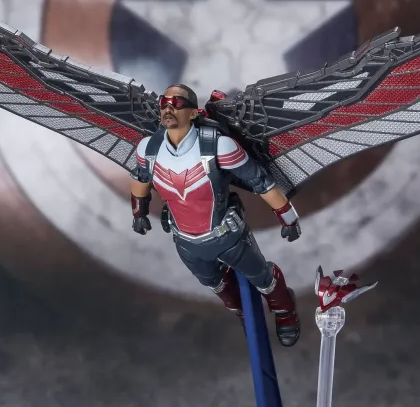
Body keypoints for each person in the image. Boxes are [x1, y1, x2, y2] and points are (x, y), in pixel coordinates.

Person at [129, 84, 302, 346]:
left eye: (177, 103)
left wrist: (287, 216)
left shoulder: (218, 147)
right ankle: (245, 313)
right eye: (164, 102)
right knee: (217, 285)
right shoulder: (148, 148)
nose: (168, 108)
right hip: (186, 242)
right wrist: (139, 211)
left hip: (227, 236)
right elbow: (140, 178)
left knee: (262, 278)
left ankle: (285, 310)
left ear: (193, 112)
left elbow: (260, 181)